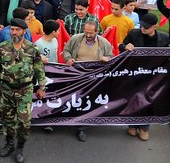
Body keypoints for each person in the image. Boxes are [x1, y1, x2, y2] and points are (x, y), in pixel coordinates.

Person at [0, 18, 46, 163]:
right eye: (12, 29)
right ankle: (10, 144)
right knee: (7, 120)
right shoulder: (2, 47)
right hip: (6, 90)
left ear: (24, 31)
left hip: (25, 90)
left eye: (17, 30)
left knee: (24, 123)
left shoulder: (32, 49)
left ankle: (20, 148)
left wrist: (42, 87)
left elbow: (39, 70)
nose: (14, 32)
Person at [120, 13, 169, 141]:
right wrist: (126, 46)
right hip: (135, 74)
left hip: (153, 76)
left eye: (146, 27)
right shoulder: (133, 34)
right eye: (141, 26)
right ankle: (132, 124)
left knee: (148, 100)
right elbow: (121, 46)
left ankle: (144, 127)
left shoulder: (164, 39)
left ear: (155, 27)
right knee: (134, 98)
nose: (143, 29)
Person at [62, 20, 114, 142]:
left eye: (91, 33)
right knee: (74, 98)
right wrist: (68, 59)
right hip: (77, 75)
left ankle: (82, 126)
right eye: (86, 32)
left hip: (94, 78)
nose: (88, 35)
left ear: (97, 32)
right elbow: (66, 51)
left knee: (87, 100)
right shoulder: (76, 39)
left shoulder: (104, 43)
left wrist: (107, 59)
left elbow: (111, 57)